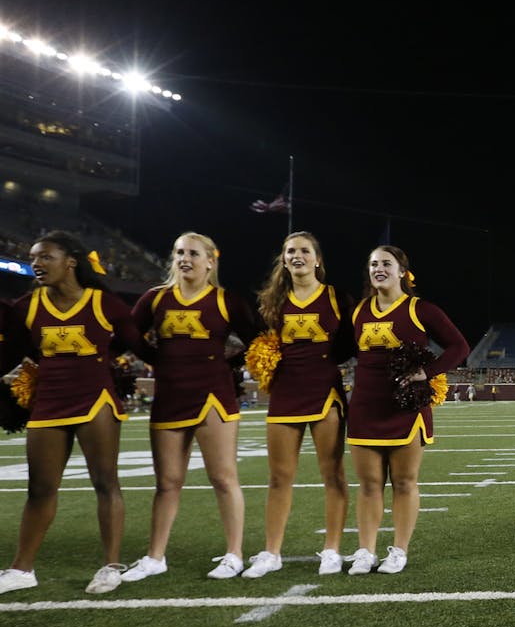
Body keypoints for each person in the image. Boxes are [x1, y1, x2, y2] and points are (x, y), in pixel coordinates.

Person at [0, 232, 154, 595]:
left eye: (46, 257)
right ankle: (22, 569)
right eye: (33, 257)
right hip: (49, 402)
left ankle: (111, 566)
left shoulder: (105, 303)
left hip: (95, 400)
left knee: (105, 482)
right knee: (39, 488)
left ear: (70, 261)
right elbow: (9, 356)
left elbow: (140, 347)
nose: (36, 263)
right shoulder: (27, 306)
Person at [121, 231, 263, 583]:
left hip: (213, 395)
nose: (185, 258)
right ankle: (155, 557)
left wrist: (229, 364)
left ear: (210, 261)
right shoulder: (155, 300)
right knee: (167, 482)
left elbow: (260, 339)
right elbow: (127, 335)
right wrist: (154, 358)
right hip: (169, 396)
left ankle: (234, 554)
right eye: (179, 252)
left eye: (193, 253)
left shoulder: (227, 300)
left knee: (223, 477)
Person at [345, 245, 469, 576]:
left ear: (402, 272)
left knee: (403, 481)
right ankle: (365, 551)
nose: (378, 268)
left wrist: (426, 373)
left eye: (386, 263)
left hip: (404, 408)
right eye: (373, 264)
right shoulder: (358, 312)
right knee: (369, 483)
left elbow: (459, 346)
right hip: (365, 407)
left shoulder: (421, 309)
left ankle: (399, 550)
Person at [243, 231, 356, 579]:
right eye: (290, 251)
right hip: (285, 394)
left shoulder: (337, 297)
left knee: (332, 475)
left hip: (325, 392)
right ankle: (271, 552)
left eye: (304, 251)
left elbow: (353, 341)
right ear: (284, 259)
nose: (297, 256)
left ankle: (333, 550)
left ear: (317, 260)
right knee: (279, 478)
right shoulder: (273, 301)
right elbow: (259, 342)